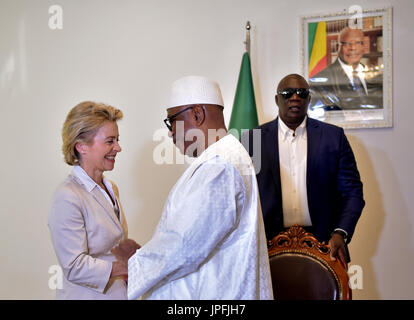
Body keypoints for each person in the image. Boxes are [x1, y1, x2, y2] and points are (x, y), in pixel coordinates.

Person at [112, 76, 273, 300]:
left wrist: (135, 260)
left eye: (171, 121)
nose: (170, 132)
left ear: (197, 114)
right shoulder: (222, 157)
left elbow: (187, 245)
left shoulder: (220, 165)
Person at [244, 74, 365, 267]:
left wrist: (340, 232)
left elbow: (352, 193)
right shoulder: (253, 141)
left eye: (301, 93)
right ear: (277, 99)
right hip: (267, 247)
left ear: (309, 99)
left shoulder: (333, 137)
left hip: (325, 244)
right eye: (287, 93)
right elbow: (243, 196)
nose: (295, 98)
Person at [48, 101, 139, 299]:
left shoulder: (111, 187)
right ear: (81, 146)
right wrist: (127, 267)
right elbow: (74, 266)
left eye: (117, 140)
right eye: (110, 141)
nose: (118, 147)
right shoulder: (67, 196)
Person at [309, 27, 383, 111]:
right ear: (338, 47)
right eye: (347, 43)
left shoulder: (376, 77)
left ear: (364, 47)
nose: (353, 48)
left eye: (358, 43)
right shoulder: (318, 82)